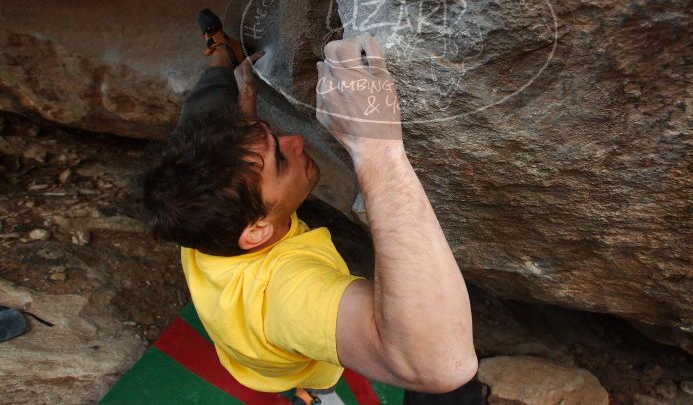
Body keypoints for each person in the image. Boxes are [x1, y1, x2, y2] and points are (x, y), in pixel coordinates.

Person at [141, 28, 479, 403]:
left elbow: (205, 122)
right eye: (280, 159)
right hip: (289, 354)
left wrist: (241, 94)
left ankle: (314, 393)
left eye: (272, 135)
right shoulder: (283, 294)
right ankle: (316, 394)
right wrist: (376, 147)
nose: (296, 141)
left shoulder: (197, 210)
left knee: (304, 369)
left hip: (251, 355)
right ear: (256, 231)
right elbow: (442, 367)